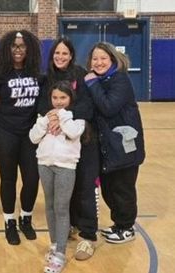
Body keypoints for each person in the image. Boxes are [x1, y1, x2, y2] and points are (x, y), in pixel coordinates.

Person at [38, 37, 100, 260]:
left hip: (83, 142)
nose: (60, 57)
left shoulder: (81, 74)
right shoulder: (48, 78)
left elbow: (87, 106)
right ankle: (71, 227)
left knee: (84, 188)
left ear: (71, 55)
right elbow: (41, 104)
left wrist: (63, 116)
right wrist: (51, 117)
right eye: (57, 54)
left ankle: (89, 236)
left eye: (65, 53)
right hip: (58, 145)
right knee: (65, 194)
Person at [84, 42, 145, 244]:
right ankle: (119, 224)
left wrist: (92, 84)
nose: (98, 62)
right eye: (95, 58)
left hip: (124, 147)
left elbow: (109, 107)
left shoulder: (120, 80)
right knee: (109, 189)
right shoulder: (100, 81)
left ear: (112, 60)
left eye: (103, 58)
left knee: (123, 189)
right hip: (108, 148)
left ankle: (127, 227)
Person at [0, 30, 42, 245]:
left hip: (29, 135)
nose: (18, 50)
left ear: (29, 49)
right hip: (5, 133)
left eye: (22, 46)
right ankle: (9, 221)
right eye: (14, 46)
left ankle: (26, 218)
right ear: (7, 49)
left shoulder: (36, 73)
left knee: (32, 178)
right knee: (8, 179)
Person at [30, 80, 85, 273]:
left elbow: (73, 132)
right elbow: (33, 137)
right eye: (55, 98)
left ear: (70, 98)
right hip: (44, 165)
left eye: (63, 97)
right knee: (50, 206)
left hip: (65, 167)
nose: (59, 101)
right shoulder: (43, 117)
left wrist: (61, 116)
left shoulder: (77, 119)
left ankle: (60, 253)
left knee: (62, 208)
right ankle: (54, 244)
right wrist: (46, 121)